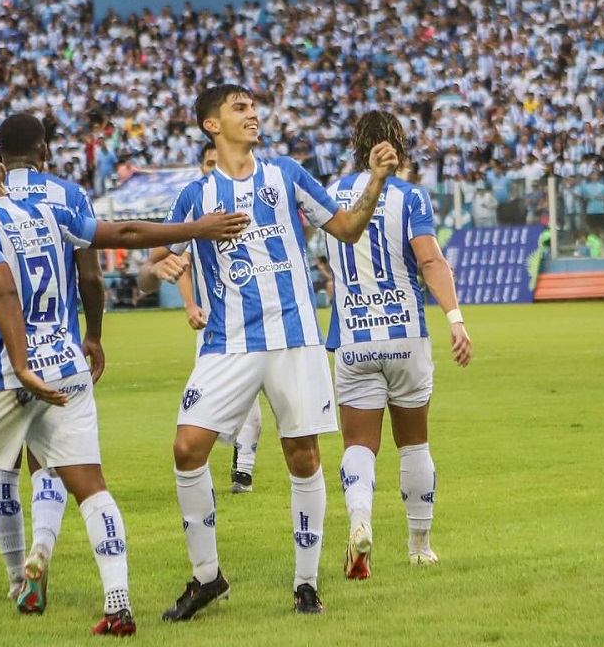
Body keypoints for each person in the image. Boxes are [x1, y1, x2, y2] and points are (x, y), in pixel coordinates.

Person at [0, 143, 248, 634]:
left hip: (10, 375)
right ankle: (119, 607)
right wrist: (198, 228)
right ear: (4, 173)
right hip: (68, 366)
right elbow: (126, 233)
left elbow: (1, 290)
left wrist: (21, 366)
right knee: (90, 487)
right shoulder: (48, 209)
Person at [139, 84, 399, 618]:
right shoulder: (196, 196)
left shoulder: (285, 175)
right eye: (239, 108)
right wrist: (156, 269)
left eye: (254, 107)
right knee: (187, 449)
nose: (253, 114)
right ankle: (206, 578)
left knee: (302, 456)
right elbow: (147, 271)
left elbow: (348, 229)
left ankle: (306, 584)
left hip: (294, 338)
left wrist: (375, 180)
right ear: (212, 125)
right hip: (227, 343)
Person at [0, 114, 107, 615]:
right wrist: (92, 335)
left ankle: (14, 578)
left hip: (0, 357)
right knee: (50, 461)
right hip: (61, 350)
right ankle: (42, 549)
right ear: (44, 149)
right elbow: (90, 278)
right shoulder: (67, 197)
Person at [322, 112, 472, 580]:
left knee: (359, 445)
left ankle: (360, 520)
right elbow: (429, 258)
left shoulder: (330, 193)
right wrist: (456, 319)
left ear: (356, 145)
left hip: (352, 338)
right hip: (405, 335)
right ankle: (419, 545)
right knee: (413, 444)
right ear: (398, 147)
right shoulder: (410, 198)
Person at [154, 142, 265, 495]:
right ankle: (212, 468)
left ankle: (243, 472)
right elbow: (178, 261)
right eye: (207, 163)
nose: (212, 167)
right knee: (215, 404)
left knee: (257, 403)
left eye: (217, 162)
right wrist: (189, 306)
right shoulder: (197, 210)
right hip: (216, 324)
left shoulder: (253, 204)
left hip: (264, 322)